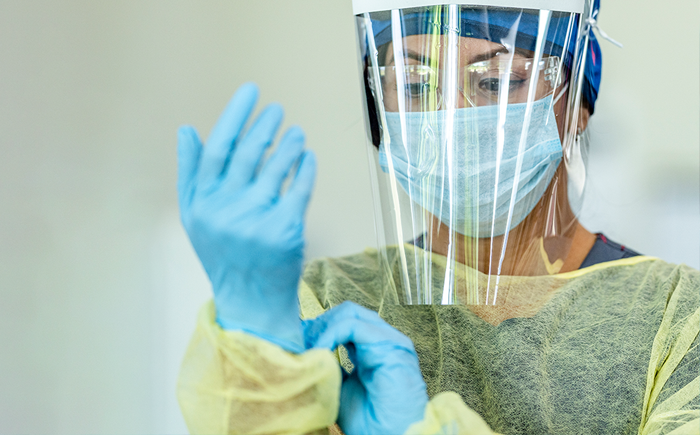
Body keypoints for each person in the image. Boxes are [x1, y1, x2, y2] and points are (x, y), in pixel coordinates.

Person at [175, 1, 699, 434]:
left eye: (496, 81)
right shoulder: (324, 303)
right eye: (413, 83)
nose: (450, 118)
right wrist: (257, 339)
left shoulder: (677, 322)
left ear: (577, 103)